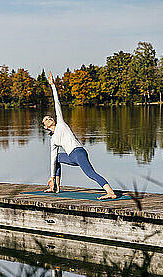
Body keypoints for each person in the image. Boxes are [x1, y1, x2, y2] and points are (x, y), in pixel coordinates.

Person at [42, 71, 116, 200]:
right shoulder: (53, 140)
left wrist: (53, 85)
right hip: (71, 156)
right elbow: (52, 158)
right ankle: (55, 187)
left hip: (78, 153)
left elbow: (56, 103)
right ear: (45, 127)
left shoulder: (61, 124)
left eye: (49, 117)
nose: (49, 119)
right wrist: (52, 177)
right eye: (46, 120)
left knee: (90, 173)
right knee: (57, 158)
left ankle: (110, 192)